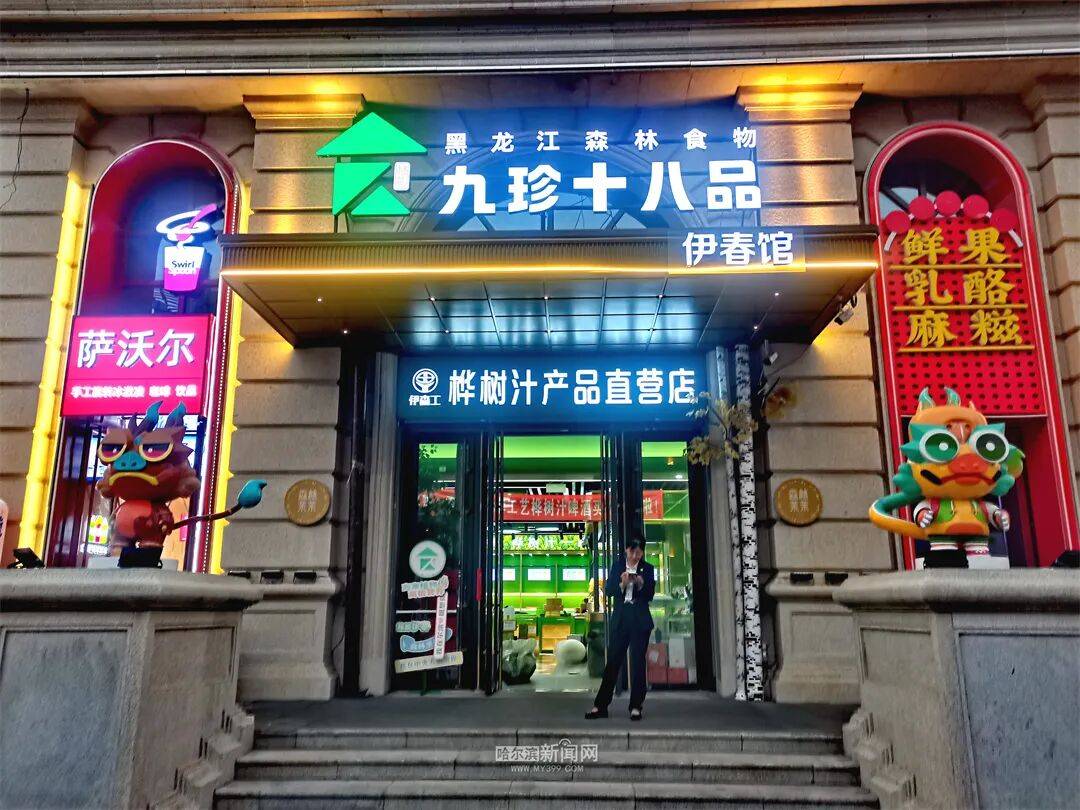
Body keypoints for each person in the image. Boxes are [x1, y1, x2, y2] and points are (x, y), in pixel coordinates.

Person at [585, 533, 655, 721]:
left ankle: (636, 706)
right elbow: (609, 590)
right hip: (621, 620)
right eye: (632, 551)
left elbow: (650, 594)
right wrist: (622, 584)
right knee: (613, 662)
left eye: (639, 552)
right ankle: (600, 706)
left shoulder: (648, 569)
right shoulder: (617, 567)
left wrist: (641, 585)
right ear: (626, 550)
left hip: (640, 621)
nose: (635, 556)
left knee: (638, 663)